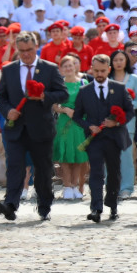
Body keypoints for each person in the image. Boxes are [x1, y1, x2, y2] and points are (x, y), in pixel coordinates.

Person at [0, 33, 67, 222]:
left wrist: (44, 97)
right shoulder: (9, 70)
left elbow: (63, 94)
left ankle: (44, 206)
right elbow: (0, 96)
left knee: (43, 170)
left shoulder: (49, 69)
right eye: (22, 51)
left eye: (29, 50)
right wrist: (7, 111)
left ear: (36, 47)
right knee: (15, 166)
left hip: (41, 128)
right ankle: (11, 204)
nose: (26, 54)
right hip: (16, 128)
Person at [72, 53, 134, 222]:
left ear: (108, 69)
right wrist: (88, 126)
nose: (99, 74)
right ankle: (96, 208)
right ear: (91, 69)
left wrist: (117, 122)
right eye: (96, 71)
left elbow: (129, 111)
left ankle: (112, 205)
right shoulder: (84, 91)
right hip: (94, 139)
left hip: (114, 138)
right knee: (96, 173)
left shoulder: (119, 88)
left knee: (114, 173)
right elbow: (77, 116)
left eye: (102, 71)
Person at [52, 54, 89, 200]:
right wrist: (65, 110)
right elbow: (54, 105)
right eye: (65, 66)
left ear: (75, 66)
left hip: (80, 122)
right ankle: (67, 186)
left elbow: (89, 102)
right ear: (61, 69)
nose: (68, 68)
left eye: (70, 65)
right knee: (65, 154)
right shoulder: (59, 85)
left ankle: (75, 185)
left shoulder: (84, 83)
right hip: (65, 122)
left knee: (79, 155)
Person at [108, 50, 137, 199]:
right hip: (109, 122)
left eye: (121, 59)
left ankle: (126, 187)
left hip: (127, 122)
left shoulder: (133, 79)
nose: (118, 63)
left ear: (126, 61)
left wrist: (125, 107)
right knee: (110, 156)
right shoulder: (107, 79)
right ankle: (111, 186)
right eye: (115, 60)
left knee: (126, 156)